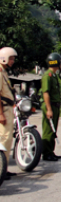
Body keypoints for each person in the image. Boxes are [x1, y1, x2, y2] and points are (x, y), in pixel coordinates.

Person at [41, 53, 61, 161]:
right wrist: (49, 109)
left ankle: (51, 151)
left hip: (55, 106)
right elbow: (46, 93)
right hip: (50, 106)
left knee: (53, 130)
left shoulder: (53, 75)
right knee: (48, 130)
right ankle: (46, 153)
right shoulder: (47, 76)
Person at [0, 47, 18, 179]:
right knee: (4, 139)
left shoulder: (4, 72)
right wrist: (0, 114)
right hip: (3, 110)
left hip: (8, 108)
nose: (12, 61)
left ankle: (4, 168)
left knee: (8, 139)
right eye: (11, 58)